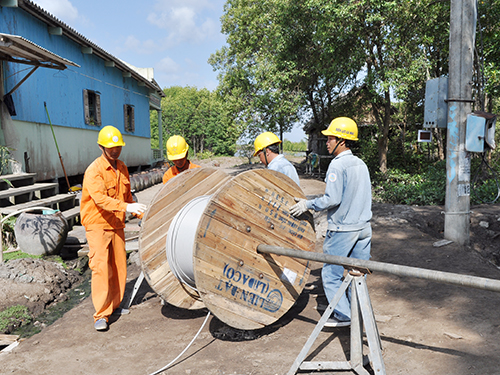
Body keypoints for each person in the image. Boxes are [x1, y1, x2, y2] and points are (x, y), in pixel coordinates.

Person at [289, 117, 372, 328]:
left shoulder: (337, 165)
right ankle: (357, 311)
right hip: (364, 228)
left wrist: (308, 204)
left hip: (343, 229)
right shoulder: (360, 164)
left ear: (342, 141)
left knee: (331, 273)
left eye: (330, 138)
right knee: (357, 274)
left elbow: (332, 199)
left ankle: (344, 316)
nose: (327, 142)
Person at [80, 125, 147, 331]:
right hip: (98, 225)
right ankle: (101, 315)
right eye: (111, 148)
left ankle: (115, 306)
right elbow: (100, 200)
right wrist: (127, 207)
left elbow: (127, 197)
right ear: (101, 147)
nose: (115, 150)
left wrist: (143, 214)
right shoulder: (94, 170)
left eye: (118, 147)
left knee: (119, 266)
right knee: (101, 268)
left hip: (117, 224)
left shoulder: (123, 167)